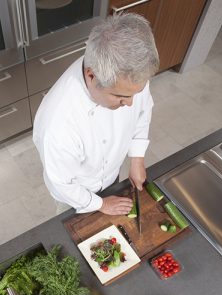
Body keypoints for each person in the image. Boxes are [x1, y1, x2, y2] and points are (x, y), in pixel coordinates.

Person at [33, 13, 159, 215]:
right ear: (92, 76)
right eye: (119, 96)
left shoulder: (130, 75)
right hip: (76, 195)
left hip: (110, 176)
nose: (130, 103)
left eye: (136, 93)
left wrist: (137, 158)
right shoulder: (58, 125)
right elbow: (62, 184)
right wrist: (100, 204)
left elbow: (143, 111)